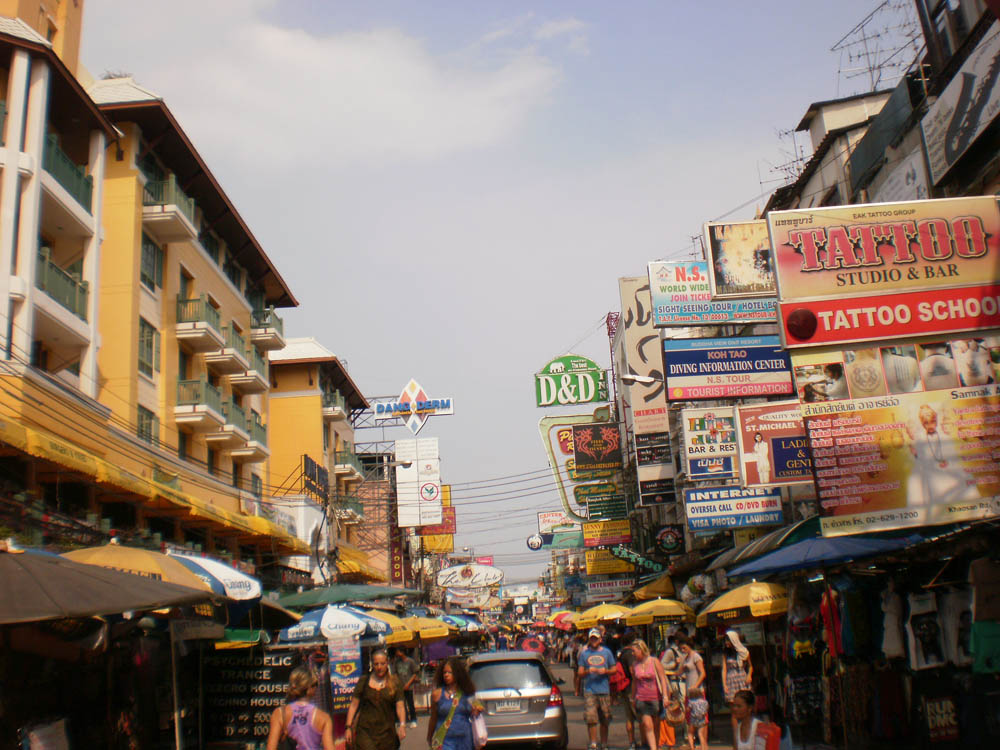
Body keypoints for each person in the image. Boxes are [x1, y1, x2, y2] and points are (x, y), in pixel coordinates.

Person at [266, 666, 335, 750]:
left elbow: (271, 747)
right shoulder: (323, 718)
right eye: (315, 684)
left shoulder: (280, 713)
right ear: (309, 688)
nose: (316, 687)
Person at [426, 656, 483, 750]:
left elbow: (478, 707)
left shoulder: (467, 692)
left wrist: (477, 710)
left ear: (457, 674)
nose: (446, 675)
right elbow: (433, 718)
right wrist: (429, 736)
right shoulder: (437, 694)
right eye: (444, 672)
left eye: (449, 672)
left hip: (465, 740)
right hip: (445, 740)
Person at [578, 627, 616, 750]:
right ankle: (593, 743)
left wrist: (606, 671)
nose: (594, 640)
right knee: (591, 718)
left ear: (600, 639)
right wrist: (589, 670)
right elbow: (580, 672)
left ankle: (604, 743)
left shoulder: (607, 652)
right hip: (590, 690)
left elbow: (614, 669)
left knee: (605, 718)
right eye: (592, 639)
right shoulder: (585, 654)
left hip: (604, 690)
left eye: (596, 638)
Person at [629, 639, 670, 750]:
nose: (633, 654)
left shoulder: (654, 661)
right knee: (647, 725)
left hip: (655, 698)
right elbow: (634, 682)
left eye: (634, 651)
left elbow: (662, 679)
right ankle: (653, 748)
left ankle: (656, 746)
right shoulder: (634, 664)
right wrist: (632, 698)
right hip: (641, 698)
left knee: (656, 726)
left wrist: (665, 696)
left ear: (641, 650)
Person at [721, 631, 752, 750]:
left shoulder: (743, 652)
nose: (726, 643)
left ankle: (746, 738)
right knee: (734, 712)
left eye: (728, 640)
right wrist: (724, 684)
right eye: (725, 641)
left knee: (745, 710)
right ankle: (736, 741)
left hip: (742, 680)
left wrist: (749, 675)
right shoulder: (725, 653)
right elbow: (724, 669)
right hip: (731, 681)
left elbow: (750, 666)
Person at [617, 632, 638, 750]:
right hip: (631, 688)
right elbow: (632, 671)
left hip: (624, 687)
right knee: (639, 716)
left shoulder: (621, 653)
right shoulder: (630, 654)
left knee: (629, 717)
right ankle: (643, 742)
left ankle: (632, 743)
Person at [393, 648, 420, 728]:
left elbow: (415, 673)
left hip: (409, 686)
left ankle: (413, 720)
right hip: (399, 686)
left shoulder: (410, 661)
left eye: (398, 651)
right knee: (399, 704)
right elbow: (395, 673)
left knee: (410, 703)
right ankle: (400, 720)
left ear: (402, 652)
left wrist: (408, 683)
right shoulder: (397, 662)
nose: (397, 653)